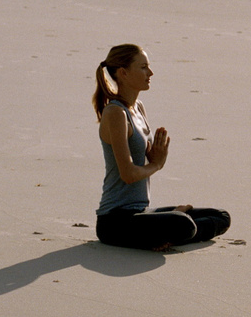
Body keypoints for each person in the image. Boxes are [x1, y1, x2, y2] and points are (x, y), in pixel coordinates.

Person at [94, 44, 231, 251]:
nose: (150, 73)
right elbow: (128, 174)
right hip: (115, 221)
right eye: (143, 67)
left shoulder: (138, 108)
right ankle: (170, 228)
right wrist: (156, 165)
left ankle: (165, 234)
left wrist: (152, 155)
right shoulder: (115, 113)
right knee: (182, 224)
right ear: (123, 73)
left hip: (141, 212)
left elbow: (143, 156)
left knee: (221, 216)